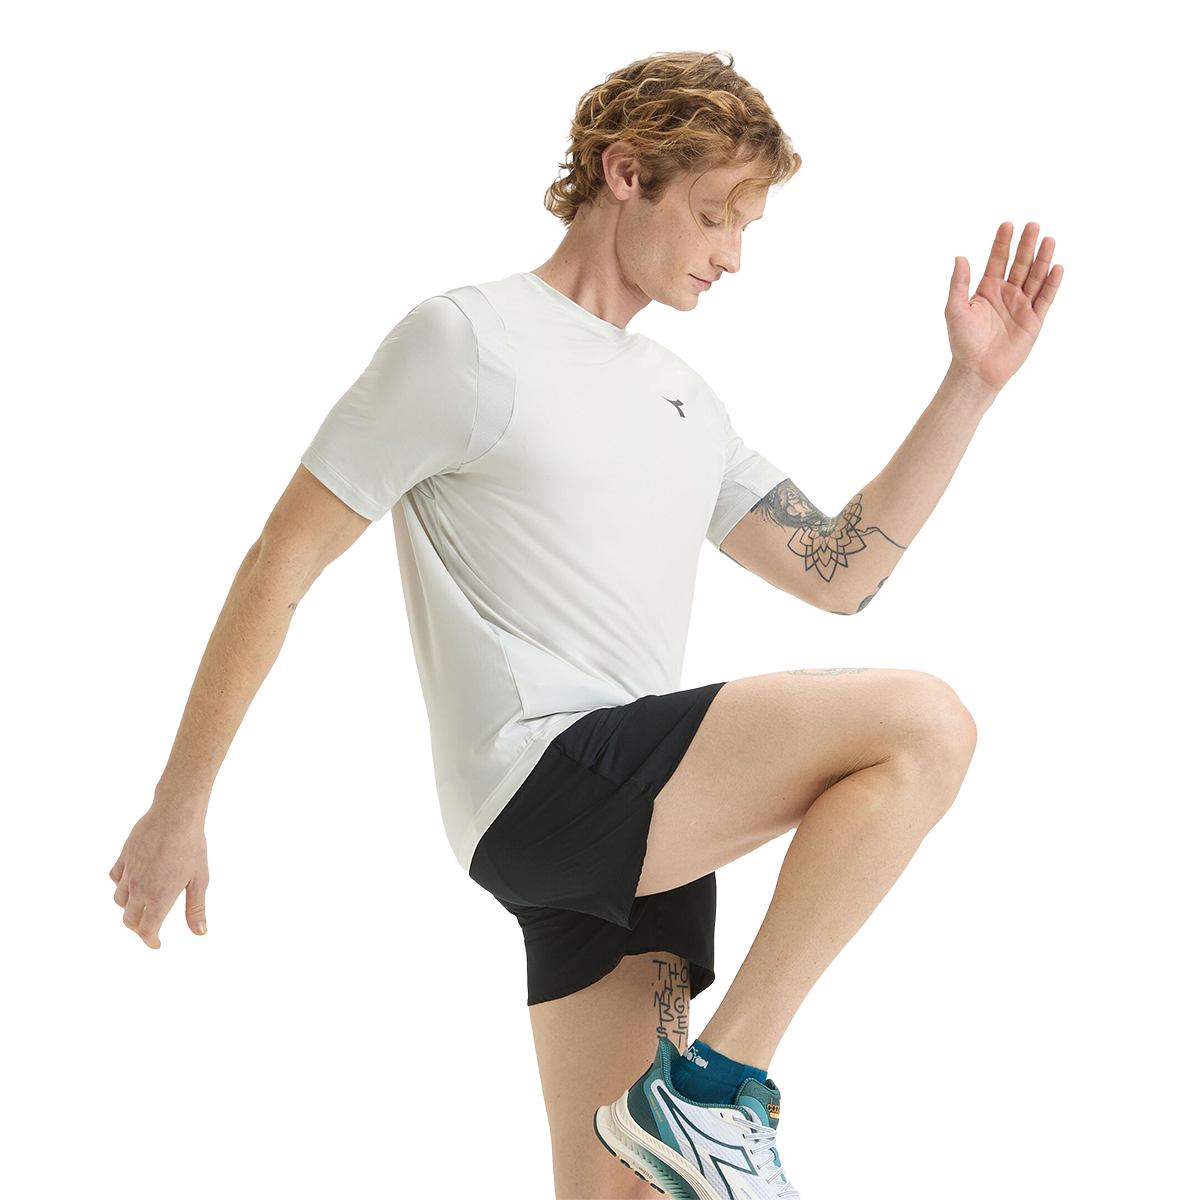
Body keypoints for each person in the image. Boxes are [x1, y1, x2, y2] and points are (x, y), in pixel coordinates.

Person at [109, 47, 1060, 1200]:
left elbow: (837, 570)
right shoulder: (466, 342)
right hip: (548, 782)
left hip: (642, 828)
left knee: (620, 1188)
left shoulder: (683, 400)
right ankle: (720, 1089)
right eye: (714, 213)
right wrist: (180, 807)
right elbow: (281, 563)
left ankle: (687, 1111)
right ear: (624, 173)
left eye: (746, 226)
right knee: (925, 725)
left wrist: (971, 384)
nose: (732, 255)